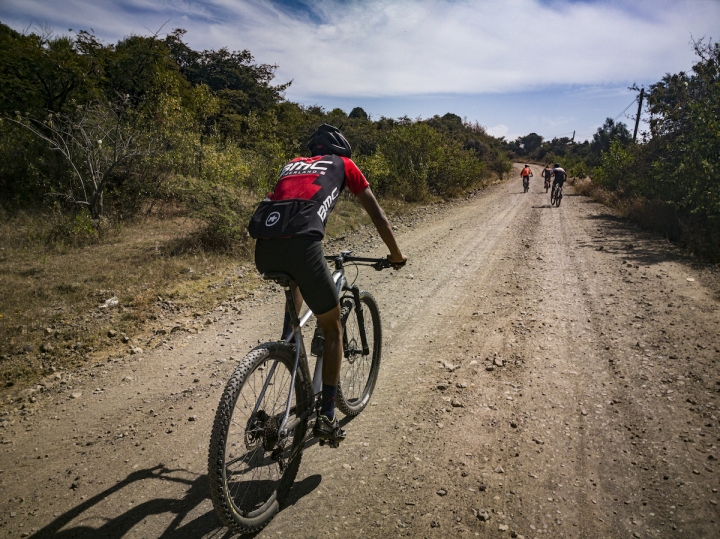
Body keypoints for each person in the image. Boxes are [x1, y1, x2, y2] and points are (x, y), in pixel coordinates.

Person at [248, 123, 407, 446]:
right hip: (304, 249)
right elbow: (378, 216)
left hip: (264, 249)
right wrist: (396, 255)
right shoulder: (345, 165)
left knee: (295, 299)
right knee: (332, 329)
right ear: (342, 150)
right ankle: (327, 416)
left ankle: (289, 342)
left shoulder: (291, 164)